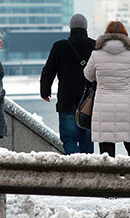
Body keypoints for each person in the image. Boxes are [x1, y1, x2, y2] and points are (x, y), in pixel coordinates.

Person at [83, 21, 130, 158]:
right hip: (126, 105)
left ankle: (110, 175)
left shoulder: (96, 55)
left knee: (106, 146)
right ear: (125, 35)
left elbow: (88, 76)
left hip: (103, 105)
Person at [40, 14, 96, 154]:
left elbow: (48, 71)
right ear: (86, 27)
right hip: (89, 100)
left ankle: (74, 165)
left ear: (70, 28)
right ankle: (88, 168)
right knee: (87, 138)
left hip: (67, 98)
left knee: (69, 138)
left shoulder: (59, 46)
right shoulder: (94, 46)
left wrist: (45, 91)